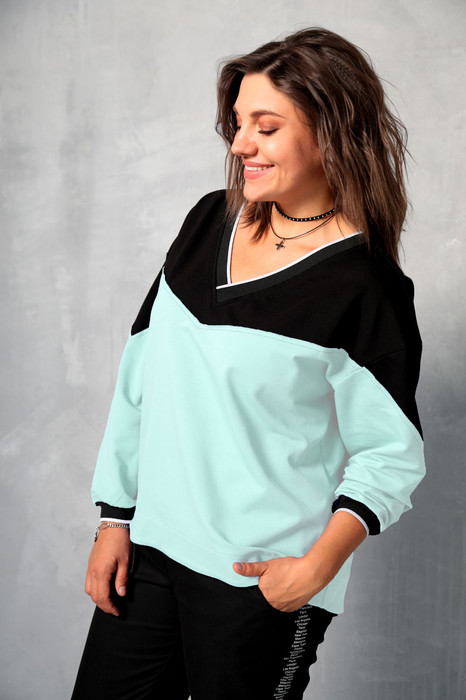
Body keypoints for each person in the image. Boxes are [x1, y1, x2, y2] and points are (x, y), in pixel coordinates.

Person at [71, 27, 425, 700]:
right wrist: (115, 520)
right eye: (238, 124)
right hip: (150, 554)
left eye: (266, 127)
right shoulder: (208, 220)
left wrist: (314, 570)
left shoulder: (364, 286)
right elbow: (140, 377)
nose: (239, 145)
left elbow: (391, 454)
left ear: (331, 133)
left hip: (259, 581)